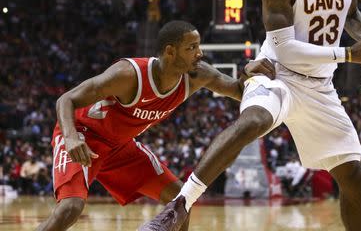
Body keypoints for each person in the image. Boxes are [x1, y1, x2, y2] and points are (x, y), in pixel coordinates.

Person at [144, 0, 361, 231]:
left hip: (319, 84)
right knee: (255, 120)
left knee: (353, 175)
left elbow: (349, 14)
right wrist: (351, 54)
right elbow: (284, 49)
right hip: (277, 72)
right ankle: (179, 205)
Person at [36, 20, 275, 231]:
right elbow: (66, 99)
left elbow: (239, 91)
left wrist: (247, 72)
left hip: (120, 147)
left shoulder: (198, 75)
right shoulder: (129, 74)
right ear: (170, 52)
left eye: (198, 46)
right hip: (84, 136)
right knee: (71, 208)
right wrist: (71, 138)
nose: (200, 53)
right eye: (191, 48)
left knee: (181, 200)